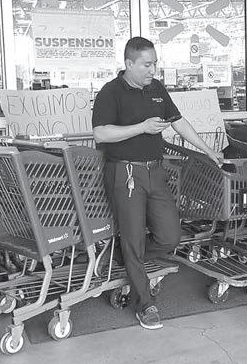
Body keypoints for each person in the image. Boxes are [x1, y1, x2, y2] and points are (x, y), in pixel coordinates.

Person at [92, 36, 222, 330]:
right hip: (125, 173)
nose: (152, 70)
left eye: (155, 64)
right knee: (134, 237)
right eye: (146, 65)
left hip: (155, 171)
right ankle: (145, 304)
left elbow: (179, 121)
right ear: (129, 64)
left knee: (170, 236)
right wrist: (142, 127)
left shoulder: (157, 89)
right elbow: (101, 133)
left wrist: (207, 150)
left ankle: (124, 257)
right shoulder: (110, 92)